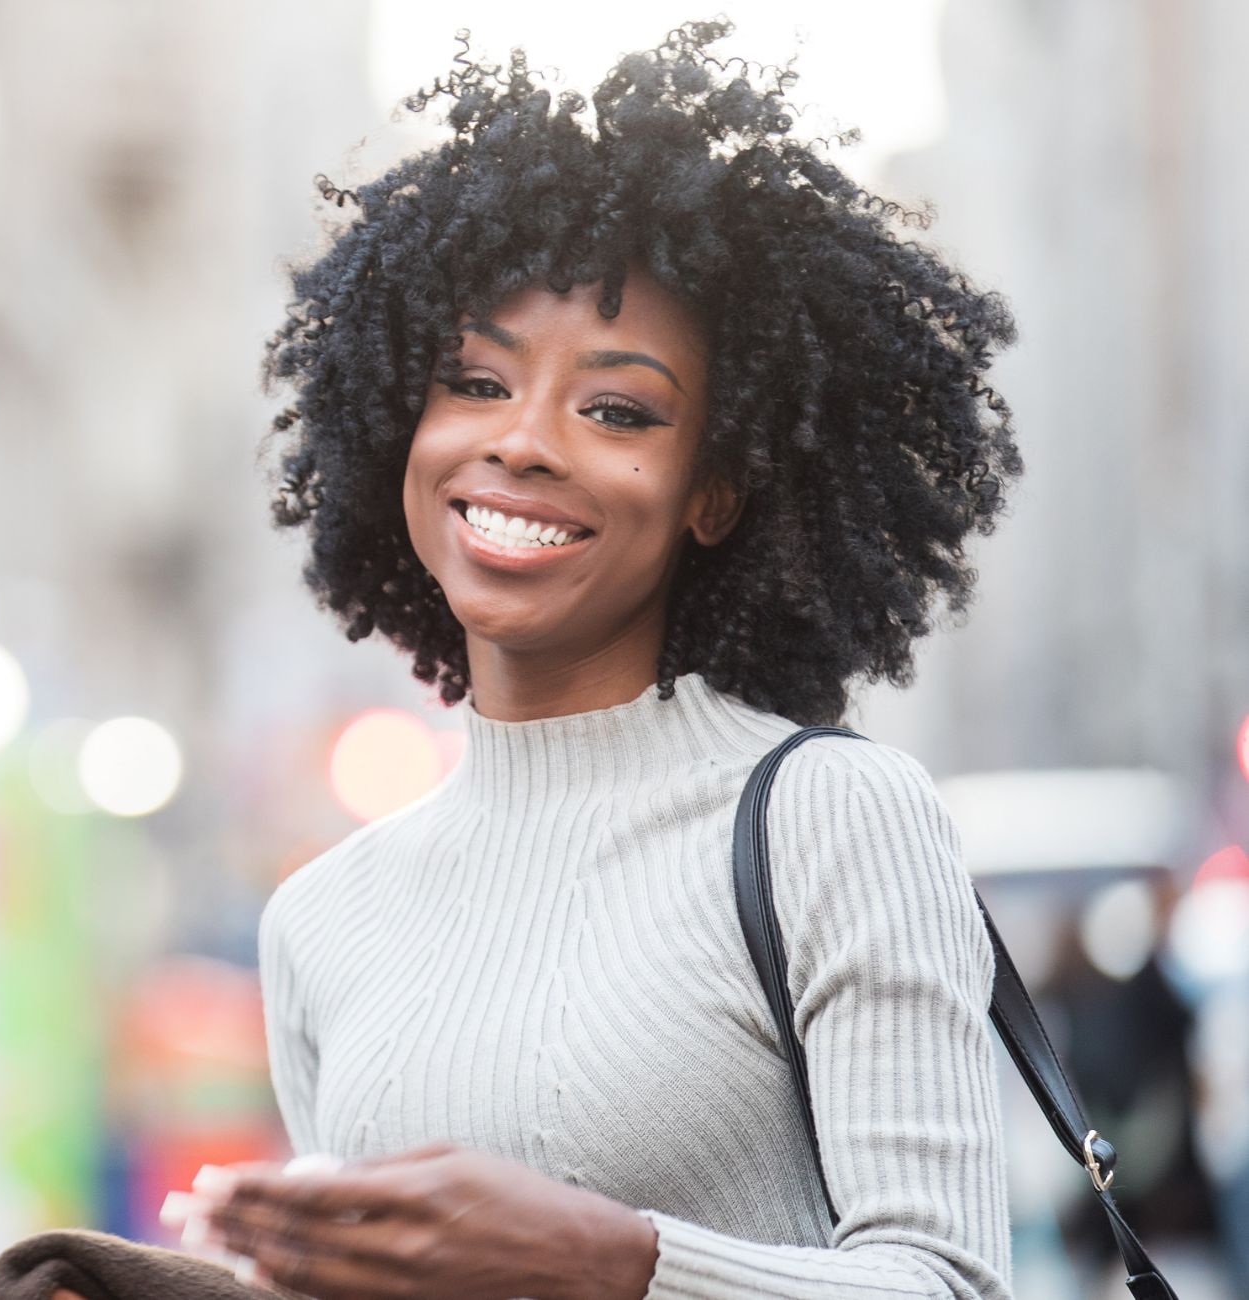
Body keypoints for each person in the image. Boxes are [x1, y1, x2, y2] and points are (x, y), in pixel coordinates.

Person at [204, 21, 1024, 1300]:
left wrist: (615, 1261)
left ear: (712, 492)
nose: (521, 443)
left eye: (616, 410)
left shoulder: (827, 815)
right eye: (471, 382)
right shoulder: (320, 918)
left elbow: (953, 1285)